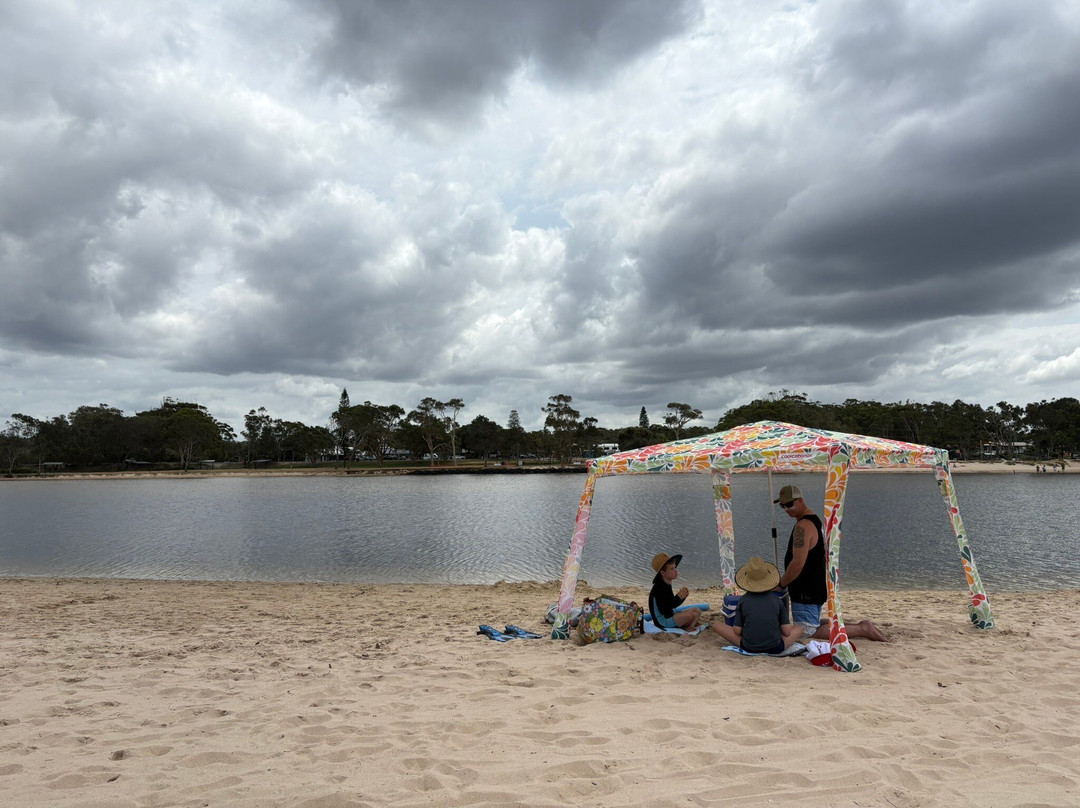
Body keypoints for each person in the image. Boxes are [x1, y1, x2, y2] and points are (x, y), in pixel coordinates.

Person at [776, 484, 888, 642]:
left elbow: (797, 564)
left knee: (807, 632)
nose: (786, 509)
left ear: (800, 500)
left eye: (789, 504)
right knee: (811, 623)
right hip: (814, 584)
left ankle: (862, 629)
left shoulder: (803, 526)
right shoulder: (814, 520)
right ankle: (858, 625)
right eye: (782, 505)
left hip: (805, 588)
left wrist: (781, 584)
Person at [711, 557, 802, 653]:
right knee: (799, 628)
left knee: (716, 624)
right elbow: (787, 632)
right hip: (775, 647)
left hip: (748, 646)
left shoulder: (743, 601)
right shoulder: (777, 600)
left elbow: (737, 631)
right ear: (768, 580)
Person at [649, 553, 703, 630]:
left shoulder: (667, 584)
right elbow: (665, 609)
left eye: (675, 568)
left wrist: (682, 596)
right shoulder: (659, 588)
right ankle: (687, 626)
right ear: (663, 573)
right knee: (690, 615)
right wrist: (679, 597)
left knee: (696, 610)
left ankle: (690, 626)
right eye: (672, 569)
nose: (675, 571)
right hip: (662, 620)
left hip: (669, 614)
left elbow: (671, 603)